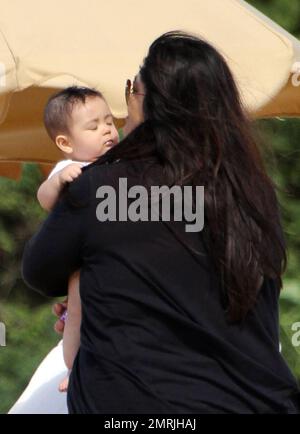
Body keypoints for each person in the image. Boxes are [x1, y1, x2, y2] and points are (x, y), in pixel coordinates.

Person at [22, 31, 300, 414]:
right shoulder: (251, 191)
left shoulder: (100, 186)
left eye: (132, 88)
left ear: (151, 102)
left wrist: (91, 289)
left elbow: (40, 271)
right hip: (254, 401)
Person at [38, 86, 119, 392]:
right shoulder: (70, 168)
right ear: (65, 142)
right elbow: (44, 199)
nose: (107, 130)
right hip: (82, 266)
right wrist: (59, 180)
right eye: (93, 126)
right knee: (77, 317)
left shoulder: (119, 161)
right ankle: (74, 367)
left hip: (112, 259)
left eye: (109, 121)